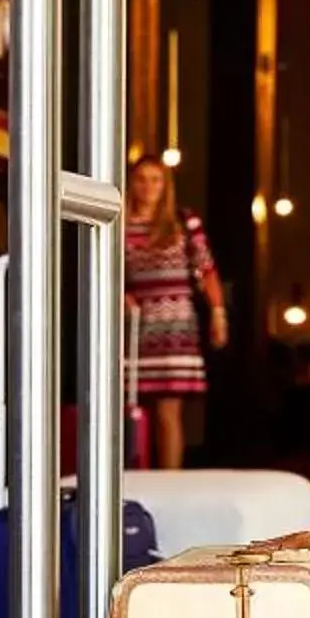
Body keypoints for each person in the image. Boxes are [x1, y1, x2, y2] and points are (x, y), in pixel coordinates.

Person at [124, 154, 228, 471]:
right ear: (131, 183)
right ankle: (131, 475)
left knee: (169, 411)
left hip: (175, 323)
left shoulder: (184, 221)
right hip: (136, 322)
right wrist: (121, 295)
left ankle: (170, 479)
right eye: (142, 179)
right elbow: (107, 266)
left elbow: (206, 269)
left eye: (155, 180)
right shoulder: (121, 222)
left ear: (165, 185)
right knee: (130, 404)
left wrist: (218, 313)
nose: (148, 187)